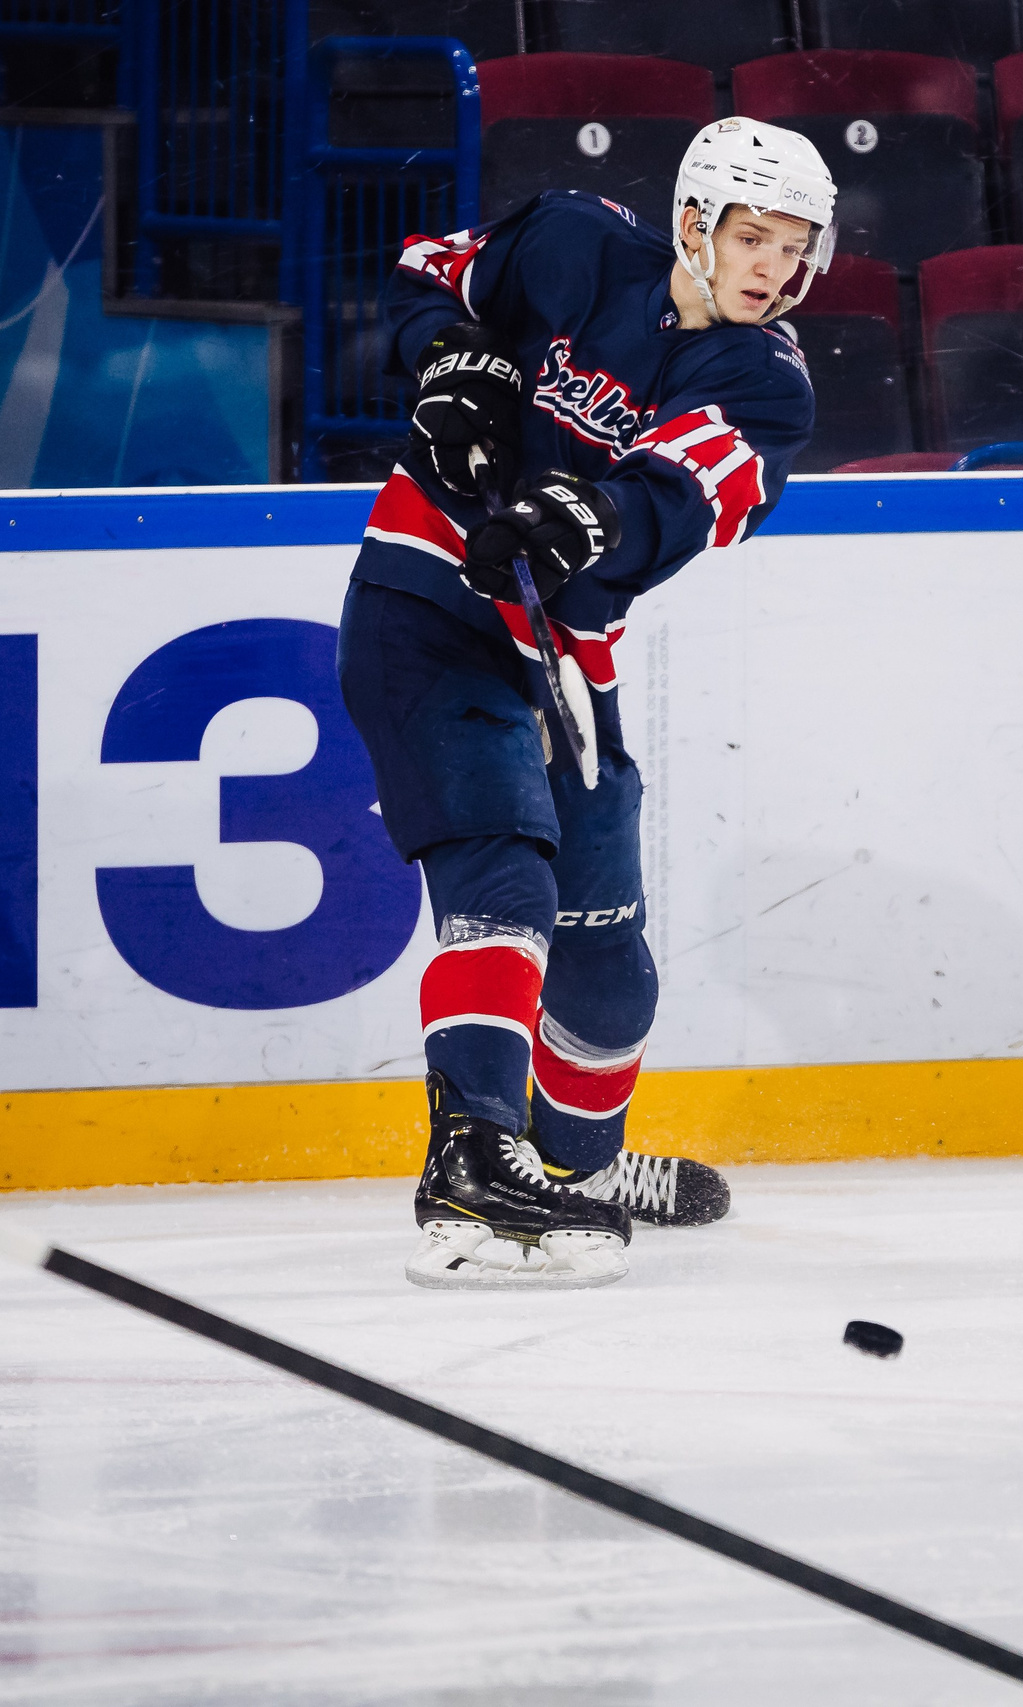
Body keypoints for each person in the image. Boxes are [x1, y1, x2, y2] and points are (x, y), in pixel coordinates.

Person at [338, 118, 838, 1290]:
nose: (771, 265)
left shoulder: (765, 386)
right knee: (505, 877)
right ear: (690, 223)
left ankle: (580, 1164)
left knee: (608, 960)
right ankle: (471, 1149)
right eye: (749, 235)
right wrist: (450, 362)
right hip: (428, 605)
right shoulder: (569, 240)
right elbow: (424, 274)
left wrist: (583, 519)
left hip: (564, 652)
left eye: (793, 245)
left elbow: (680, 500)